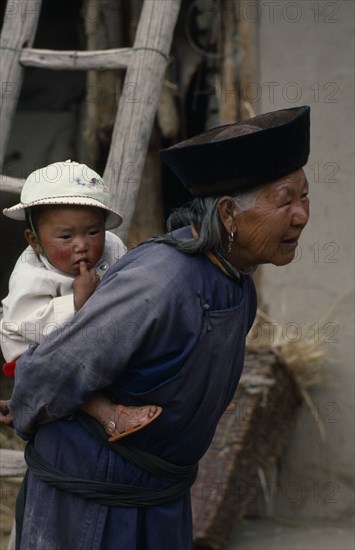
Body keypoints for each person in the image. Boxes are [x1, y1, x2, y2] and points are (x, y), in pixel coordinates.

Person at [0, 106, 310, 550]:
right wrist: (26, 405)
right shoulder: (161, 282)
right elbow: (52, 369)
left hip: (158, 499)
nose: (300, 215)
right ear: (228, 214)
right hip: (93, 508)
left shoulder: (236, 281)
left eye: (305, 198)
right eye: (285, 201)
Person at [0, 160, 162, 441]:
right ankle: (108, 415)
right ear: (35, 240)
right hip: (36, 351)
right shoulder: (29, 274)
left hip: (95, 339)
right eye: (65, 236)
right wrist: (75, 304)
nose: (82, 245)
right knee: (67, 375)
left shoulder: (111, 247)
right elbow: (25, 324)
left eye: (92, 232)